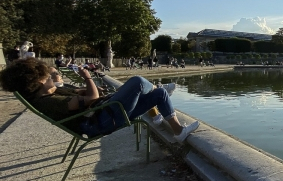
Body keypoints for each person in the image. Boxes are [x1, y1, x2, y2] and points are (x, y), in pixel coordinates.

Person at [0, 58, 198, 142]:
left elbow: (86, 96)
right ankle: (158, 97)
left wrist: (88, 88)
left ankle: (178, 131)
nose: (53, 77)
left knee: (159, 95)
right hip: (102, 121)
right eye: (49, 76)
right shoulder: (48, 101)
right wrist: (87, 77)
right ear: (37, 81)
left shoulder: (50, 93)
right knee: (137, 81)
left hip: (104, 112)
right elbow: (91, 97)